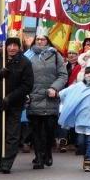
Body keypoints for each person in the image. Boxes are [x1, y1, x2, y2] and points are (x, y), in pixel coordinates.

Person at [0, 32, 33, 173]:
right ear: (6, 46)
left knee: (12, 134)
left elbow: (27, 85)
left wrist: (10, 97)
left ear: (19, 47)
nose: (12, 48)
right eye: (10, 45)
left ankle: (7, 162)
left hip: (14, 104)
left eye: (15, 45)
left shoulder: (25, 62)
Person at [25, 28, 68, 169]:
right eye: (38, 39)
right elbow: (23, 76)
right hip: (34, 98)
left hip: (50, 98)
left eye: (43, 39)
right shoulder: (28, 55)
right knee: (36, 130)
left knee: (49, 130)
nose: (40, 41)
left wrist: (55, 88)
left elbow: (63, 75)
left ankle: (48, 152)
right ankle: (38, 157)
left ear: (47, 40)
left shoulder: (56, 56)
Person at [58, 66, 90, 172]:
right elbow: (63, 93)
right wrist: (67, 103)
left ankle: (88, 160)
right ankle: (85, 155)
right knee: (81, 142)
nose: (89, 75)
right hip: (80, 118)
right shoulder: (78, 86)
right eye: (87, 73)